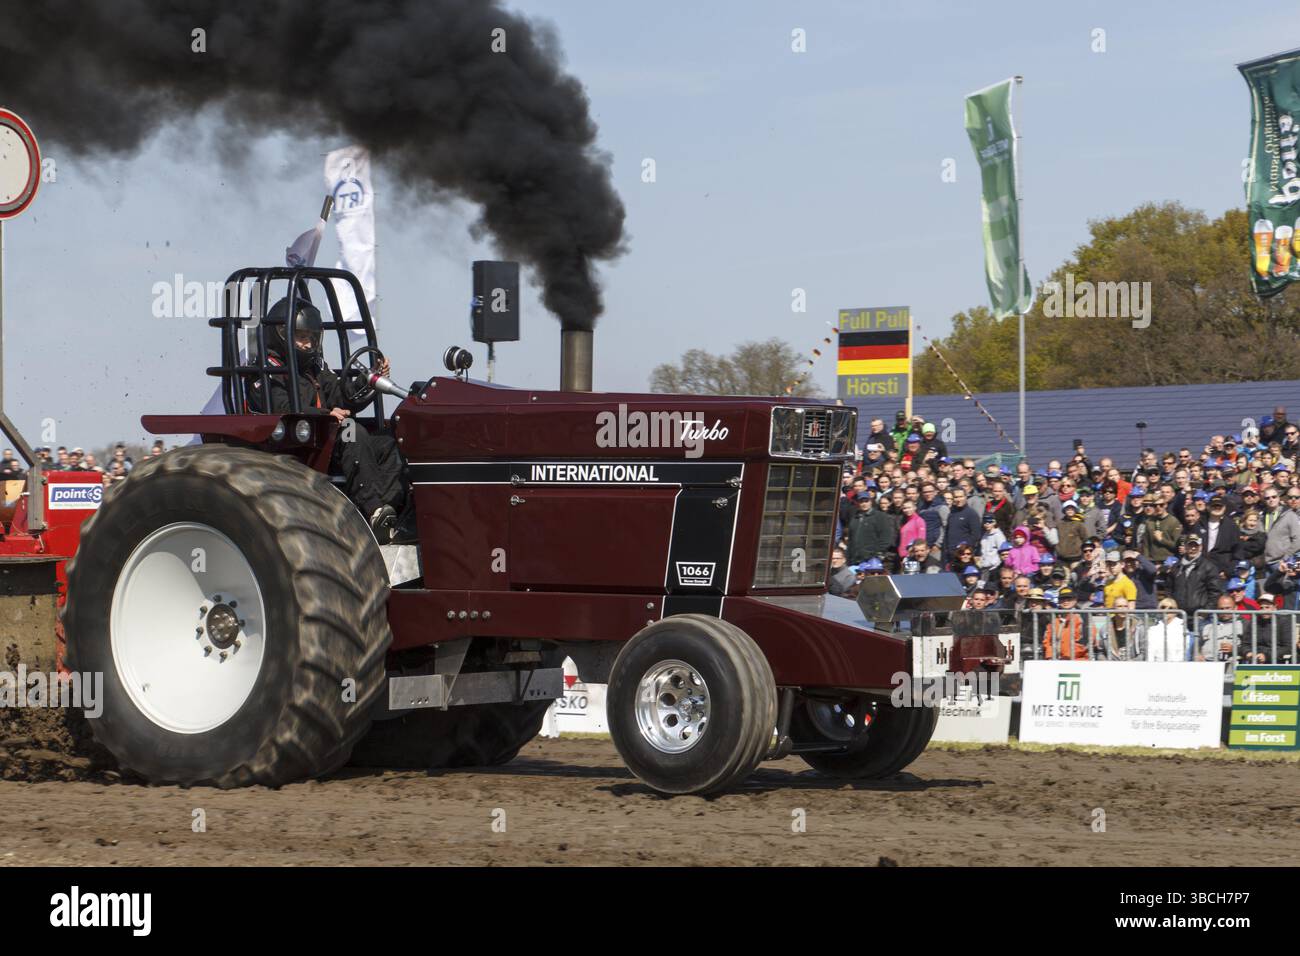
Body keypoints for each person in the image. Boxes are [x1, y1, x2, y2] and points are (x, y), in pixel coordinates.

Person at [249, 296, 406, 540]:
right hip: (299, 443)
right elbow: (280, 407)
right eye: (302, 337)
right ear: (281, 334)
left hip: (328, 437)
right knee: (353, 431)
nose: (308, 344)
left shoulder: (315, 368)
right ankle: (373, 507)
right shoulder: (267, 369)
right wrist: (324, 415)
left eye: (312, 338)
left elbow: (341, 395)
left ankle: (387, 511)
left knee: (389, 441)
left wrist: (369, 381)